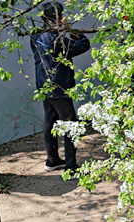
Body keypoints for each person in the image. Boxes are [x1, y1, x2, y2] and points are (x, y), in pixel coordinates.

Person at [30, 1, 91, 172]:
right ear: (58, 18)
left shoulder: (35, 35)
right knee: (71, 123)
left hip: (44, 84)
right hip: (60, 86)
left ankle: (52, 160)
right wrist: (70, 29)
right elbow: (83, 45)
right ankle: (71, 167)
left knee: (50, 120)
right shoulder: (58, 41)